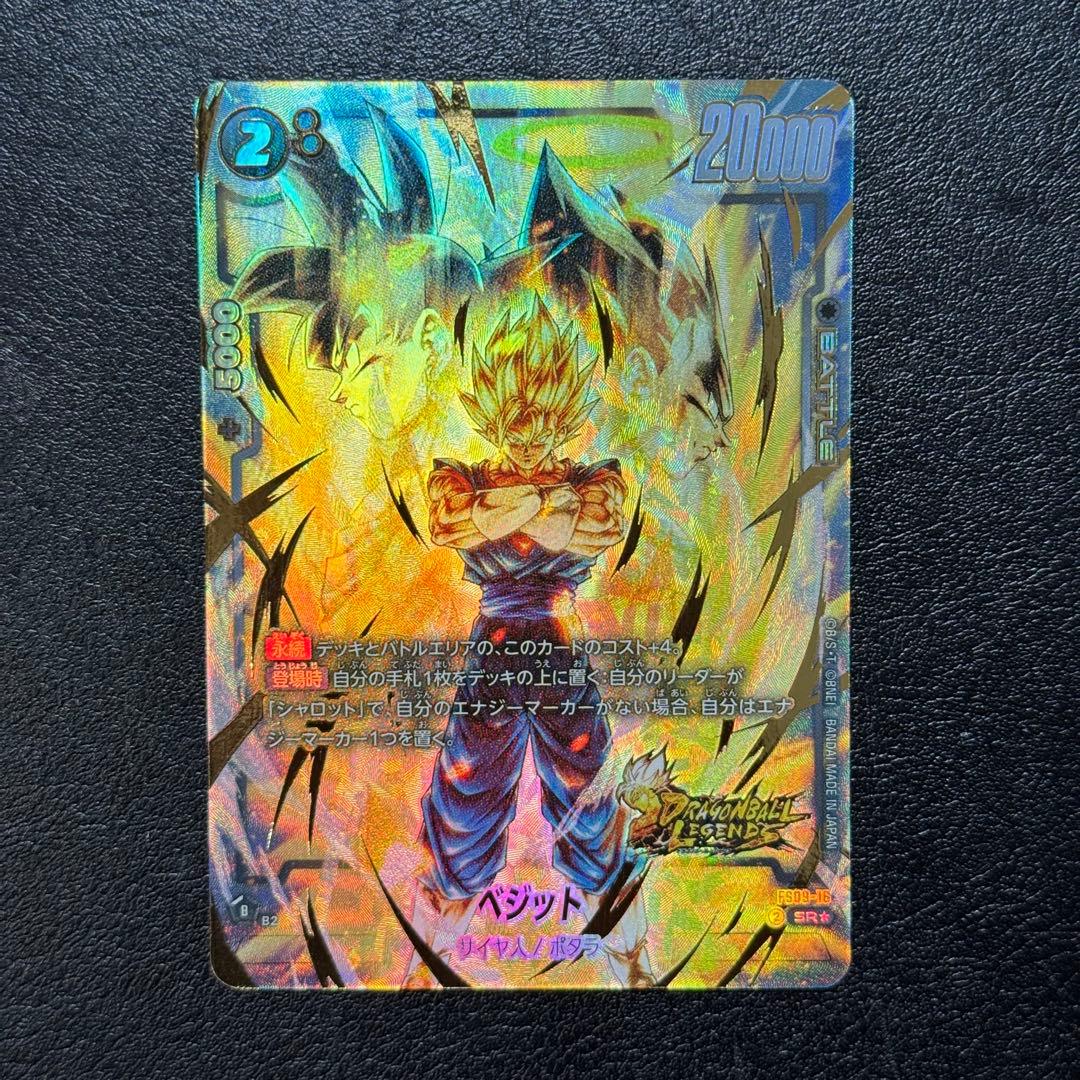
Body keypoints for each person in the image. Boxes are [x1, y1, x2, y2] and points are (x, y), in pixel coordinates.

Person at [402, 294, 654, 988]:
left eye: (544, 420)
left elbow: (590, 527)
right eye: (516, 422)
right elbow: (453, 523)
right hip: (492, 653)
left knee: (591, 802)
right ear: (488, 410)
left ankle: (632, 962)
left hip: (559, 650)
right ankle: (426, 963)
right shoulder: (459, 478)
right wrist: (544, 503)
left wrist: (513, 509)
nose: (530, 439)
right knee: (464, 799)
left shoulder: (598, 479)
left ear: (568, 409)